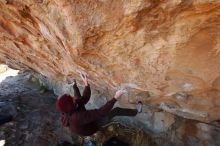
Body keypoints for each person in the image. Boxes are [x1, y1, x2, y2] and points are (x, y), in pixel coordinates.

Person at [56, 73, 142, 136]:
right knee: (116, 111)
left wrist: (86, 84)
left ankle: (74, 85)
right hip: (92, 126)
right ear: (70, 105)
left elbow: (85, 98)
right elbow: (101, 112)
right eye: (71, 99)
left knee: (79, 99)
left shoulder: (69, 108)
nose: (73, 98)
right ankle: (137, 111)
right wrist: (115, 97)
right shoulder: (77, 117)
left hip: (82, 121)